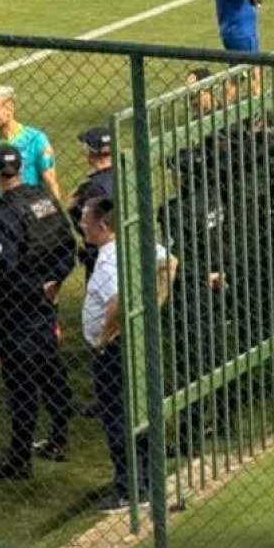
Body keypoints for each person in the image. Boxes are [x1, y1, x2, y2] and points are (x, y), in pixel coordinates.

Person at [0, 143, 76, 480]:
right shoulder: (43, 198)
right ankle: (60, 436)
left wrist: (30, 287)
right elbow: (67, 246)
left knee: (20, 385)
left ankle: (19, 458)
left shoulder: (2, 214)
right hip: (45, 303)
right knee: (50, 371)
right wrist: (54, 283)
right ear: (20, 167)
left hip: (17, 310)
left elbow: (0, 271)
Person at [80, 196, 176, 514]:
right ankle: (148, 480)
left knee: (117, 417)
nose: (81, 225)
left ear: (103, 227)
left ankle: (128, 490)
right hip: (137, 340)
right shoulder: (135, 242)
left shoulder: (108, 261)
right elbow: (170, 264)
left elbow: (115, 304)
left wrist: (104, 337)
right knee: (141, 411)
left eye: (86, 221)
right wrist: (154, 304)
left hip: (114, 350)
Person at [0, 85, 60, 245]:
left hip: (32, 217)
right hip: (1, 220)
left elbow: (51, 185)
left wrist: (49, 222)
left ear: (9, 108)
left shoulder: (36, 140)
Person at [67, 127, 116, 278]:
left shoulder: (93, 189)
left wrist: (75, 204)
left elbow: (85, 223)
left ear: (91, 152)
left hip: (101, 254)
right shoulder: (125, 173)